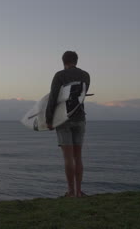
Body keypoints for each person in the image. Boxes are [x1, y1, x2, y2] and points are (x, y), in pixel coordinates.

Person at [46, 51, 90, 198]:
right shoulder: (86, 75)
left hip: (63, 119)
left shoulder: (60, 76)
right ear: (76, 61)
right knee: (78, 157)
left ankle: (71, 192)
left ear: (63, 61)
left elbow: (53, 97)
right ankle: (79, 191)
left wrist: (49, 119)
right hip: (80, 118)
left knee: (68, 158)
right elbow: (81, 96)